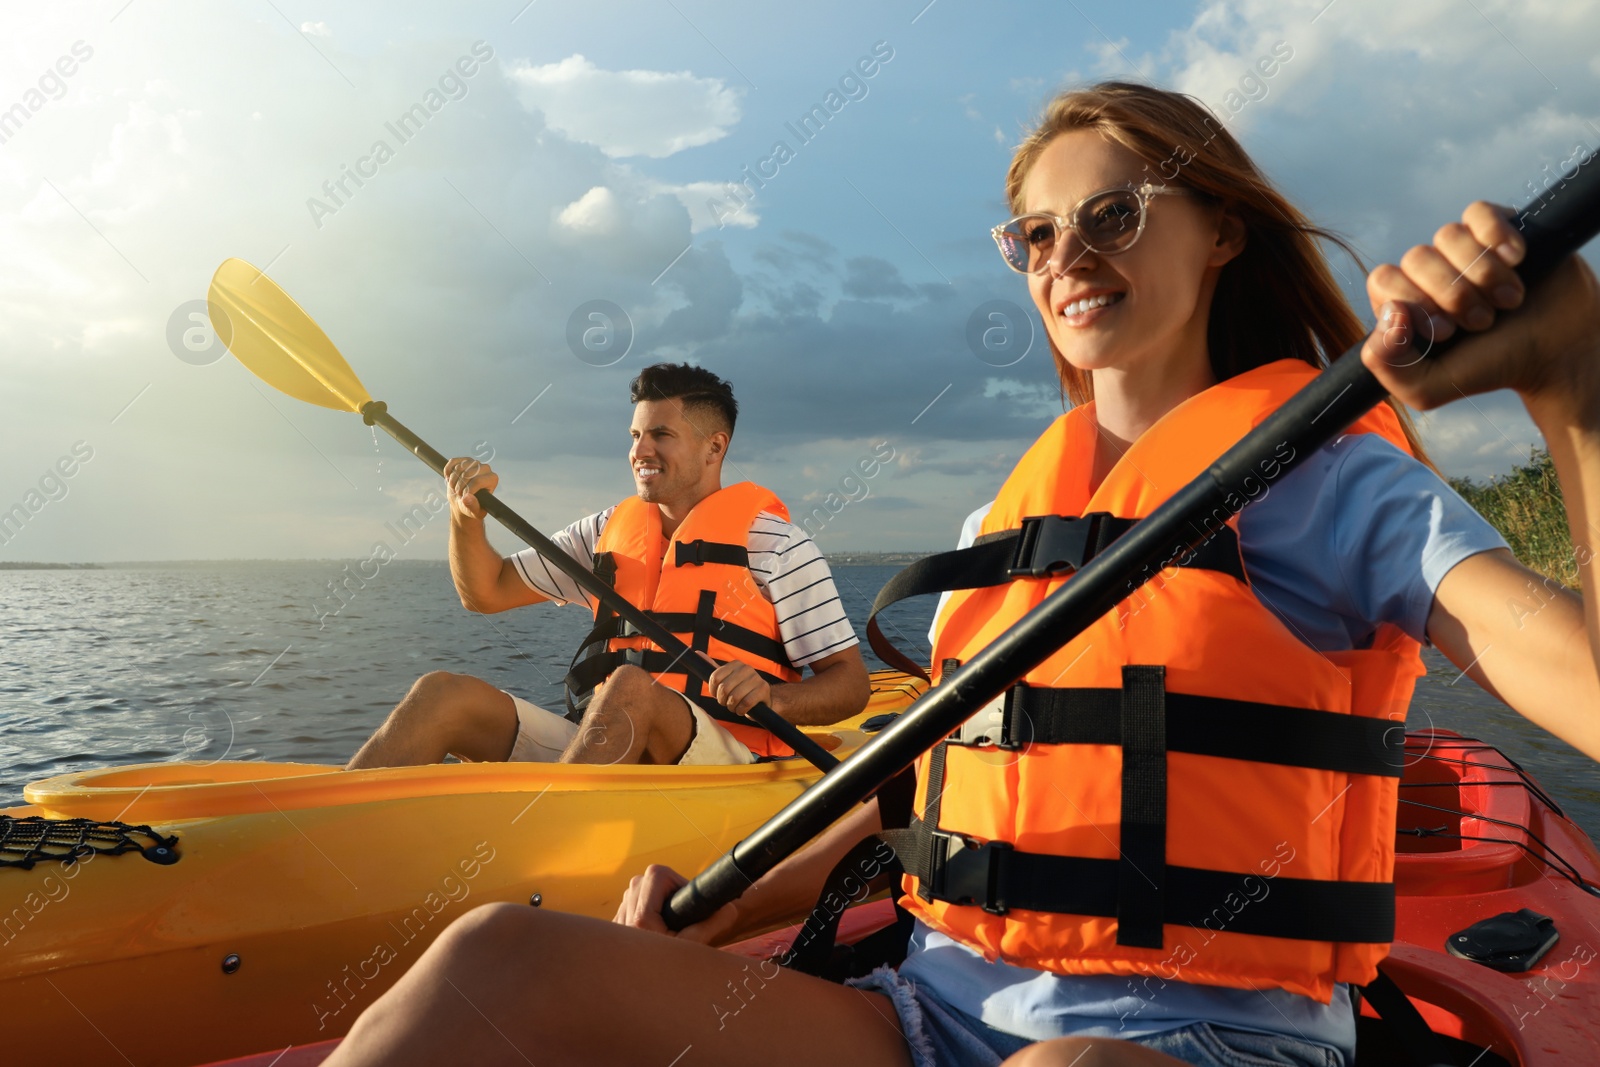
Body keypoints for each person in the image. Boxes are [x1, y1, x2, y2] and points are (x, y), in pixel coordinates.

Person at [323, 81, 1600, 1067]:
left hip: (1213, 1036)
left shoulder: (1334, 480)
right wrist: (722, 908)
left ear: (1219, 231)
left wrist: (1570, 376)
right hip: (930, 1011)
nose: (1066, 255)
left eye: (1114, 214)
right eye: (1033, 233)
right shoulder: (1012, 513)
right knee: (496, 961)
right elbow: (919, 793)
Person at [346, 362, 870, 769]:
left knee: (629, 688)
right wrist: (465, 518)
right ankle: (324, 832)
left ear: (715, 446)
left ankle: (542, 847)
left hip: (728, 762)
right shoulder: (602, 533)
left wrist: (772, 696)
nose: (640, 450)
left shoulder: (776, 546)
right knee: (443, 694)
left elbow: (850, 684)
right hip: (606, 749)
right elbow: (487, 591)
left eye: (661, 434)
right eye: (634, 435)